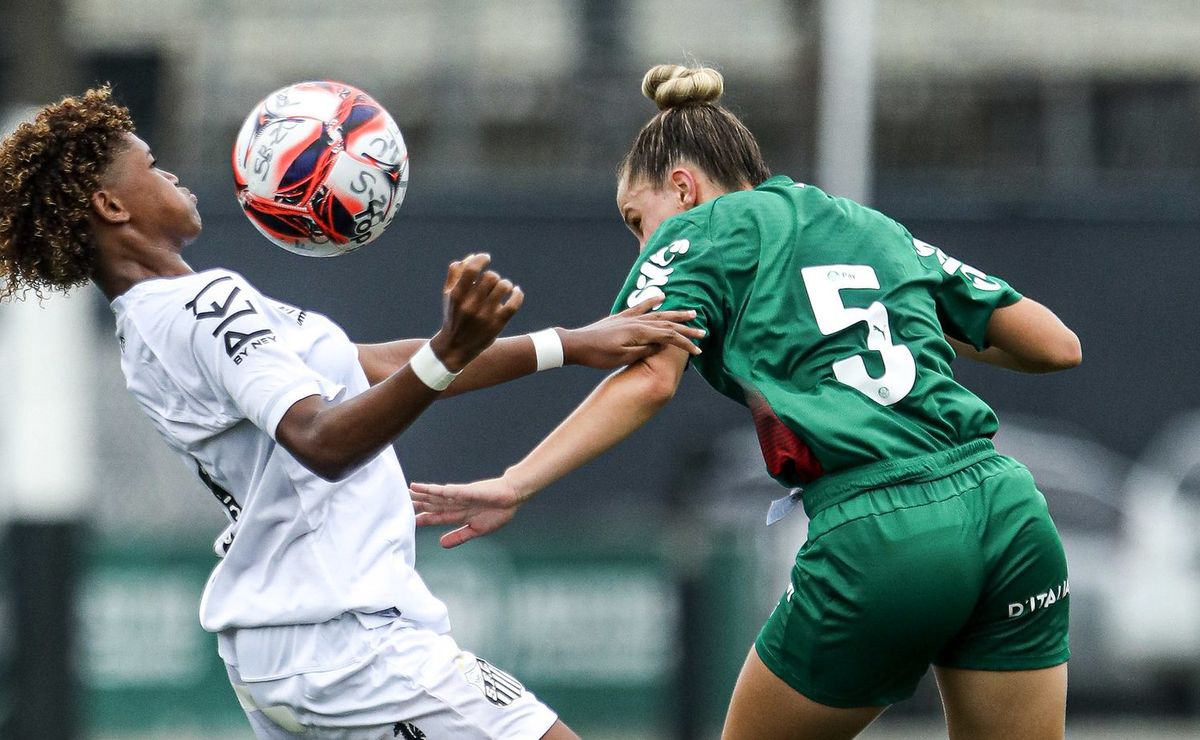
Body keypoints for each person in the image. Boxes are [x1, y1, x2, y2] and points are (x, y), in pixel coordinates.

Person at [0, 86, 706, 740]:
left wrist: (570, 345)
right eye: (151, 167)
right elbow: (322, 440)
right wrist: (449, 351)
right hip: (345, 643)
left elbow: (370, 368)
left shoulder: (154, 321)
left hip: (294, 646)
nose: (174, 176)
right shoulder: (203, 305)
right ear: (113, 206)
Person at [410, 64, 1083, 740]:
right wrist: (896, 315)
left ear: (683, 186)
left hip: (883, 529)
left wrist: (513, 483)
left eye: (636, 220)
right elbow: (1054, 345)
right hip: (1008, 511)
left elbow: (648, 379)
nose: (643, 244)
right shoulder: (872, 227)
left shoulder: (695, 233)